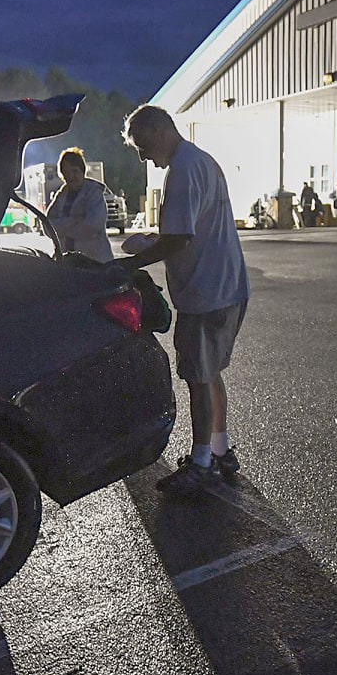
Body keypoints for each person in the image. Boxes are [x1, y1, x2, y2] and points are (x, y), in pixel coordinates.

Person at [116, 105, 250, 498]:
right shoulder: (203, 162)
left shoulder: (183, 171)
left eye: (141, 145)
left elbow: (179, 239)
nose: (142, 156)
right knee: (209, 375)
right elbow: (184, 233)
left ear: (160, 130)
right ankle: (221, 450)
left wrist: (134, 261)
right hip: (226, 288)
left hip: (206, 294)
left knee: (198, 377)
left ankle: (202, 463)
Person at [47, 147, 114, 262]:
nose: (71, 176)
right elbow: (47, 226)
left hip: (95, 261)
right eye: (67, 173)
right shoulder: (61, 195)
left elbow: (93, 226)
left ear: (82, 171)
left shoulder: (93, 192)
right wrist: (73, 220)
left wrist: (63, 231)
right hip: (67, 262)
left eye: (75, 171)